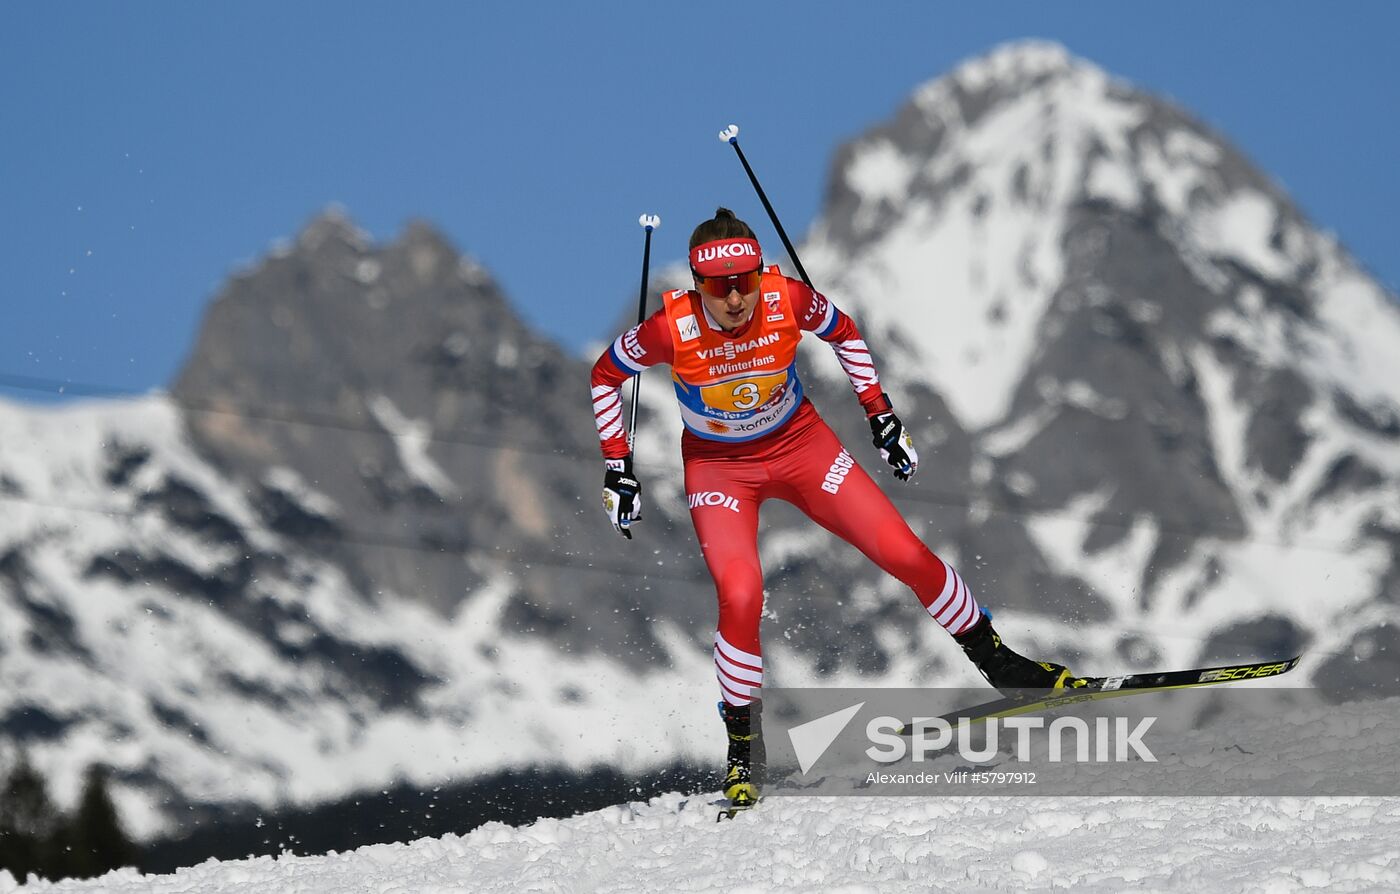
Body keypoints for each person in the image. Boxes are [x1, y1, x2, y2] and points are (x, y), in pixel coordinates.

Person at [589, 208, 1081, 808]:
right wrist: (619, 466)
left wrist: (881, 416)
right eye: (719, 287)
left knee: (906, 553)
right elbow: (604, 376)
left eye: (745, 278)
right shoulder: (670, 328)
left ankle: (1004, 666)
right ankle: (744, 744)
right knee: (741, 595)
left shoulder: (785, 298)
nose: (737, 297)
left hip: (802, 447)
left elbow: (845, 332)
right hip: (721, 470)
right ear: (696, 285)